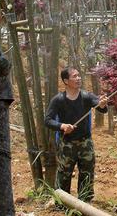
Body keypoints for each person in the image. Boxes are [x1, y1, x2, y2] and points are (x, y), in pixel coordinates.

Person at [45, 67, 108, 201]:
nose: (78, 78)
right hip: (66, 144)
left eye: (79, 75)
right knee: (64, 174)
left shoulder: (86, 96)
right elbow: (48, 120)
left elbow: (100, 107)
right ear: (66, 81)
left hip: (85, 143)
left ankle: (85, 203)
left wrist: (102, 104)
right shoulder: (58, 100)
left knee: (87, 173)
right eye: (75, 76)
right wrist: (62, 126)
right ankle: (62, 203)